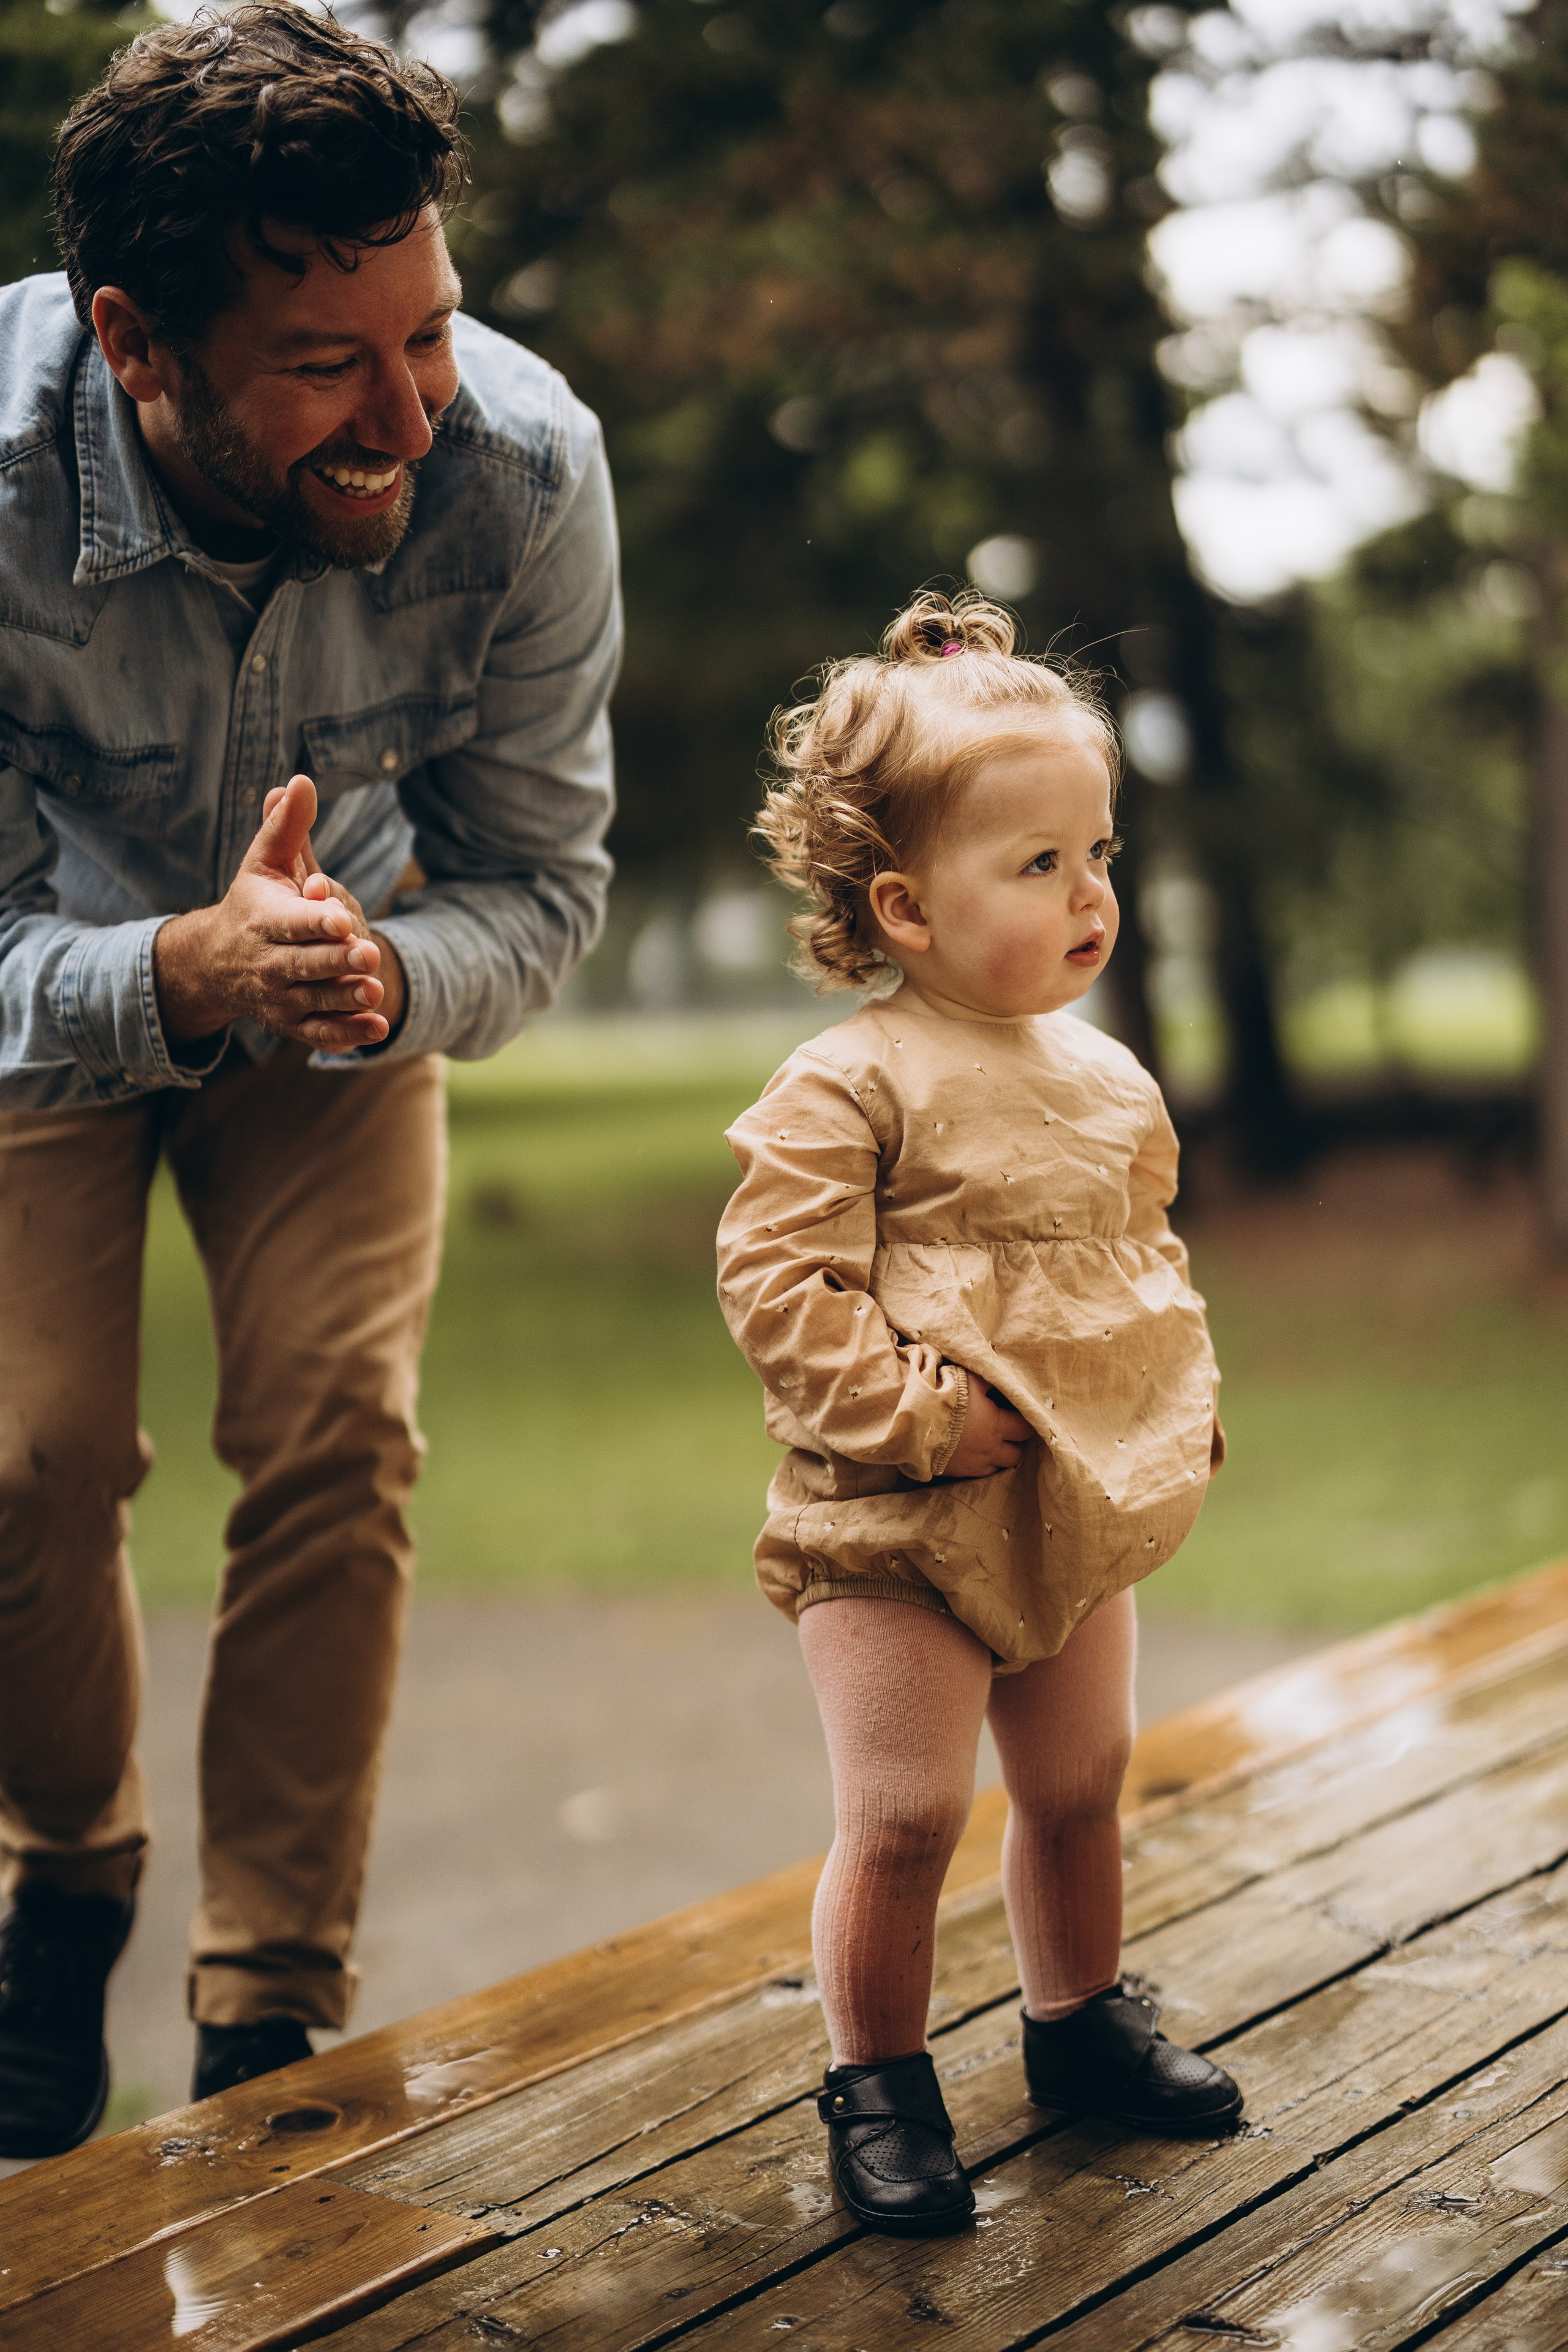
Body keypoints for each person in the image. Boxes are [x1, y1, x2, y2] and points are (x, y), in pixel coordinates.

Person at [0, 5, 620, 2158]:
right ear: (136, 343)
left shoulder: (524, 467)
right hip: (44, 984)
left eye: (428, 330)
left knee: (338, 1431)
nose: (412, 414)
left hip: (343, 978)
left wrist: (382, 974)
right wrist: (165, 967)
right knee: (26, 1459)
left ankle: (270, 1999)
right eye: (328, 364)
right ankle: (69, 1869)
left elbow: (541, 881)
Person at [716, 590, 1239, 2237]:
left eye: (1101, 855)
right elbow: (780, 1285)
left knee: (1083, 1782)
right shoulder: (852, 1082)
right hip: (900, 1518)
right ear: (906, 907)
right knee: (907, 1815)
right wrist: (920, 1418)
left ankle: (1078, 2021)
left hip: (1070, 1505)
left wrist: (1176, 1401)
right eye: (1039, 865)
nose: (1091, 895)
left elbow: (1140, 1267)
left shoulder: (1111, 1080)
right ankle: (878, 2084)